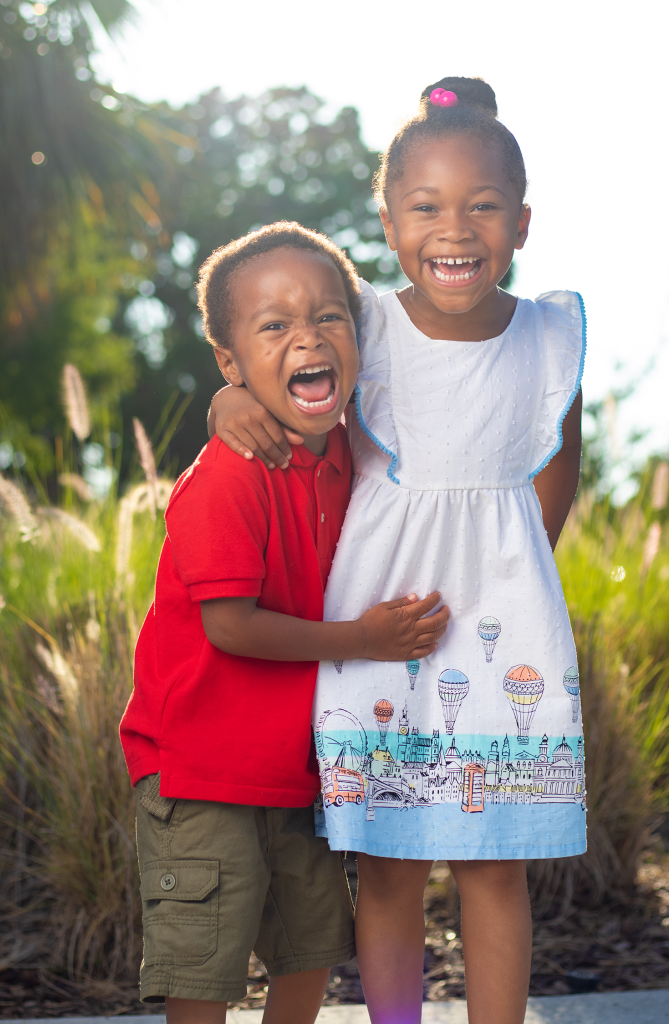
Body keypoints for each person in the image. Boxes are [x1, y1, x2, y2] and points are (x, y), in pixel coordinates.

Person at [207, 79, 586, 1024]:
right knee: (387, 865)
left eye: (482, 206)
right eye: (425, 207)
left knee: (494, 866)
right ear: (387, 221)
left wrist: (503, 580)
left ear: (522, 221)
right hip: (378, 638)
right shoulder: (362, 323)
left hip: (502, 636)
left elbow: (553, 478)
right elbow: (283, 364)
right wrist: (227, 403)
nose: (453, 229)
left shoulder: (548, 337)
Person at [120, 222, 449, 1024]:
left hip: (300, 770)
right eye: (274, 325)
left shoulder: (352, 453)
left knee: (308, 954)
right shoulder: (227, 477)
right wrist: (363, 641)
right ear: (227, 362)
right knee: (206, 967)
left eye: (328, 316)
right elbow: (231, 625)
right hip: (200, 770)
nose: (307, 335)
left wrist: (237, 390)